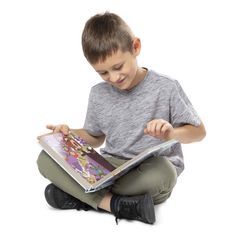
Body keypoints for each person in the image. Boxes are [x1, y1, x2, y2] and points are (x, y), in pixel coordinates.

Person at [37, 12, 206, 224]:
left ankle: (81, 196)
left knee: (165, 173)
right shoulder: (98, 93)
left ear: (135, 47)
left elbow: (199, 132)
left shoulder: (166, 87)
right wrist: (67, 134)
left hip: (149, 170)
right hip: (110, 167)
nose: (114, 78)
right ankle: (116, 205)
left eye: (118, 67)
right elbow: (94, 137)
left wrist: (171, 132)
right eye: (103, 73)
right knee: (46, 158)